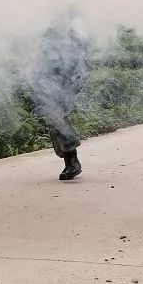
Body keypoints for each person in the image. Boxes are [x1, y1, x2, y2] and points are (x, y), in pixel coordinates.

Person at [31, 22, 88, 180]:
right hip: (50, 82)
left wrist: (74, 83)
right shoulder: (47, 32)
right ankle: (70, 160)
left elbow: (79, 60)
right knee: (53, 118)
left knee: (57, 117)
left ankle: (72, 161)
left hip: (64, 82)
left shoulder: (70, 32)